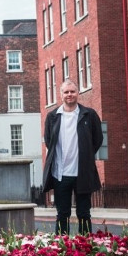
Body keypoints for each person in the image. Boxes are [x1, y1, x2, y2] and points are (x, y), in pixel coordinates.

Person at [42, 79, 104, 234]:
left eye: (72, 91)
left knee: (84, 213)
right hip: (60, 174)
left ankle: (86, 246)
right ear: (61, 95)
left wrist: (85, 153)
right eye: (66, 92)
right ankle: (62, 248)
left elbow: (97, 140)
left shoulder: (89, 115)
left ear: (77, 93)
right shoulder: (52, 117)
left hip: (82, 173)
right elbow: (49, 141)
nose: (69, 95)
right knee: (62, 214)